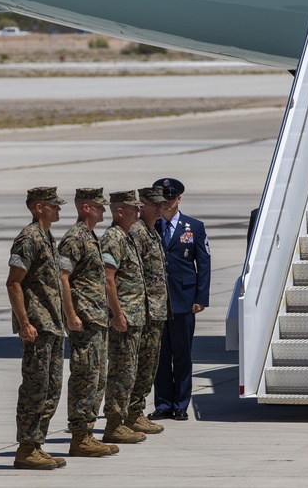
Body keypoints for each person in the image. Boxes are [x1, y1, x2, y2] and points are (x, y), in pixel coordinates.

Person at [5, 186, 68, 470]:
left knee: (51, 387)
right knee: (35, 387)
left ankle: (36, 445)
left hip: (52, 325)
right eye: (53, 205)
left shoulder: (46, 236)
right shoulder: (28, 238)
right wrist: (24, 323)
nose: (58, 209)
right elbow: (13, 282)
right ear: (38, 207)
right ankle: (26, 448)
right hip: (38, 326)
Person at [57, 188, 116, 458]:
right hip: (84, 320)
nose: (104, 211)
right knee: (85, 376)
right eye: (99, 206)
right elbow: (63, 277)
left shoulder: (90, 237)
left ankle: (87, 434)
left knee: (97, 377)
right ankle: (80, 436)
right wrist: (71, 315)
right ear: (86, 208)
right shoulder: (75, 238)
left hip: (97, 319)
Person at [148, 177, 210, 421]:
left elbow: (203, 264)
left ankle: (181, 404)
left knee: (182, 355)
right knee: (160, 355)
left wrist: (201, 297)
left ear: (179, 199)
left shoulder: (193, 227)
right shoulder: (149, 227)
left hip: (184, 299)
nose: (166, 204)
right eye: (162, 200)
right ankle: (163, 404)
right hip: (156, 301)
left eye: (170, 199)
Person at [99, 190, 149, 445]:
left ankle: (123, 420)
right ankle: (114, 425)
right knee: (120, 373)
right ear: (119, 211)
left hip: (134, 316)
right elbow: (108, 279)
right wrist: (117, 314)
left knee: (130, 373)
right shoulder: (113, 238)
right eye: (133, 208)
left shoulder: (126, 236)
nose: (138, 212)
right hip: (124, 318)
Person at [126, 186, 172, 435]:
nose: (159, 207)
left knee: (149, 364)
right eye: (153, 203)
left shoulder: (152, 232)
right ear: (140, 205)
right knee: (138, 364)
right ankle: (131, 413)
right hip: (142, 311)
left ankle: (136, 412)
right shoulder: (137, 232)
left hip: (155, 311)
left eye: (161, 203)